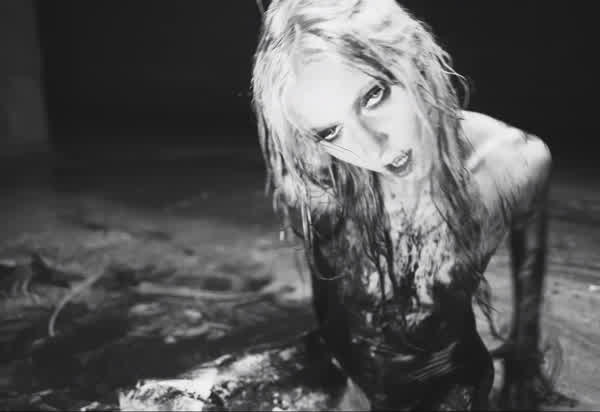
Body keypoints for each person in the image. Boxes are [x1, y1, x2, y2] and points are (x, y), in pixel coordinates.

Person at [251, 0, 552, 409]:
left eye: (373, 96)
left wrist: (524, 362)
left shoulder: (513, 164)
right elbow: (332, 304)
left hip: (444, 389)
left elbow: (528, 265)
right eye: (330, 131)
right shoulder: (320, 183)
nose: (370, 147)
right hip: (339, 369)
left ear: (413, 58)